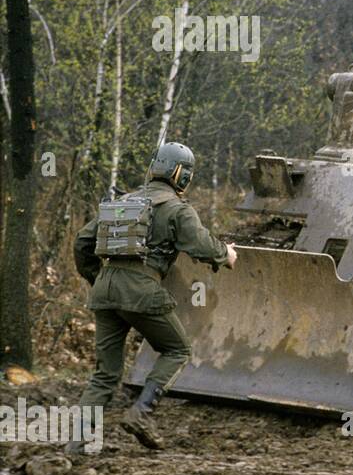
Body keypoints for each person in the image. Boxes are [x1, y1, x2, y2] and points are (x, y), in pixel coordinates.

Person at [68, 141, 236, 453]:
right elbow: (200, 245)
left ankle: (76, 443)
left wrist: (97, 278)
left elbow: (82, 242)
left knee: (105, 374)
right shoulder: (177, 209)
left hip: (105, 290)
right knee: (177, 350)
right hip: (142, 290)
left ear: (154, 168)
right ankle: (141, 413)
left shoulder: (124, 202)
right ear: (181, 176)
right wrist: (225, 253)